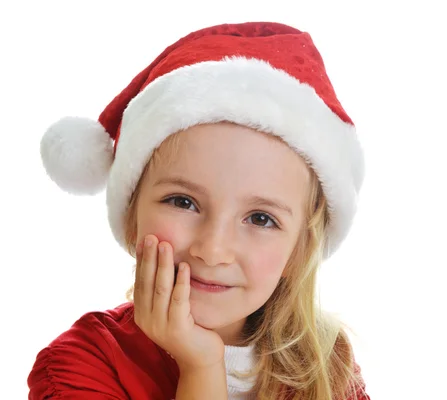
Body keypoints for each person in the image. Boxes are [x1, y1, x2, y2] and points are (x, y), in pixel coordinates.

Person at [29, 21, 368, 400]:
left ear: (299, 249)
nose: (213, 249)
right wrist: (200, 366)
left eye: (260, 218)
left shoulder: (326, 366)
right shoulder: (81, 364)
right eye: (183, 202)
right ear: (131, 214)